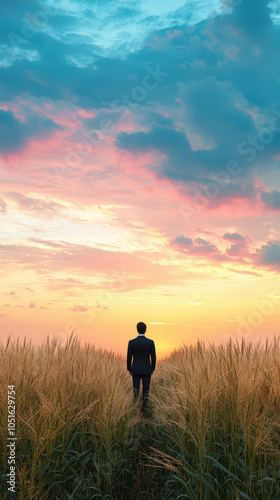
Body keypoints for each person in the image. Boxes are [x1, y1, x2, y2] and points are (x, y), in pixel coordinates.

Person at [127, 322, 156, 413]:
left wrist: (129, 368)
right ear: (145, 330)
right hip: (147, 369)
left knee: (135, 389)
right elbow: (153, 356)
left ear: (137, 330)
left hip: (135, 369)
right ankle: (144, 409)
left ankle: (135, 408)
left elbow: (129, 357)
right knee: (146, 389)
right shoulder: (150, 342)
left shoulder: (131, 342)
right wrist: (152, 368)